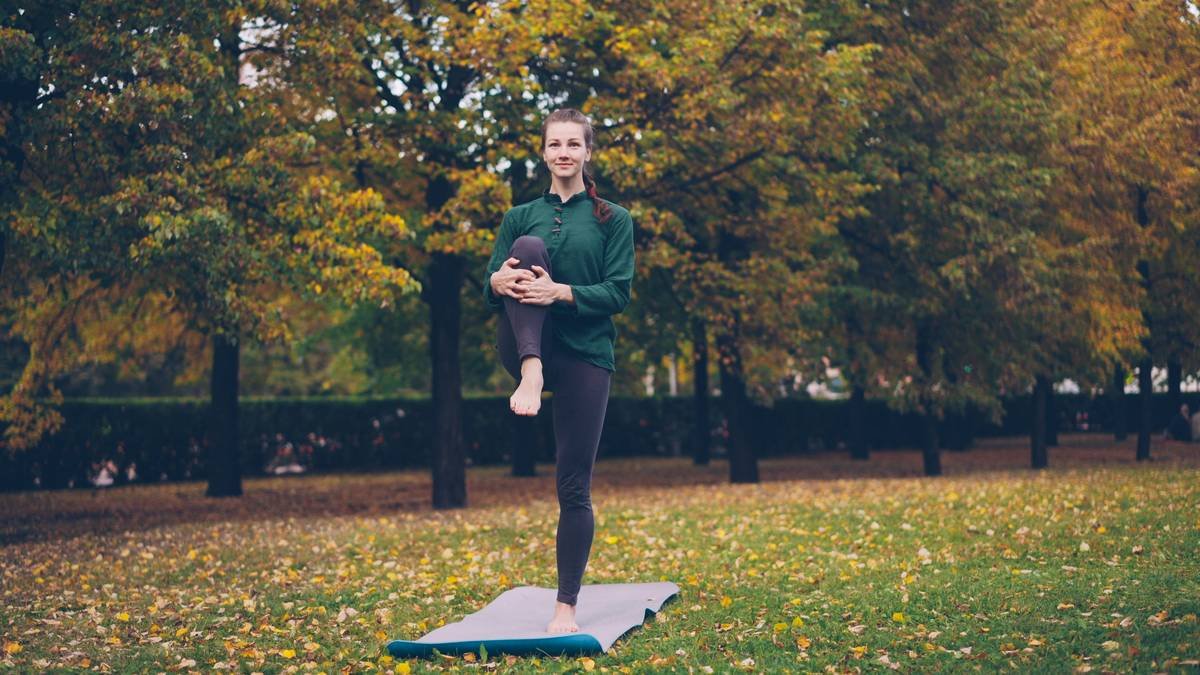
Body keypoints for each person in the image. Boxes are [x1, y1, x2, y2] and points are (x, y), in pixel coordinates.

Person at [482, 108, 635, 634]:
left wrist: (560, 291)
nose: (564, 153)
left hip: (587, 355)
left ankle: (565, 605)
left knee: (573, 485)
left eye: (574, 144)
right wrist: (497, 283)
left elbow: (618, 293)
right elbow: (492, 283)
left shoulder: (613, 219)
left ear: (587, 152)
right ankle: (530, 369)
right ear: (543, 152)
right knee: (525, 251)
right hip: (530, 344)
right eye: (554, 144)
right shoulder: (519, 217)